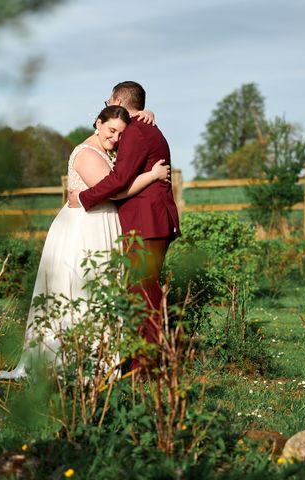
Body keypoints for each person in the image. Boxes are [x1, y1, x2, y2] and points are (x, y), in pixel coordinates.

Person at [0, 105, 170, 381]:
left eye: (119, 135)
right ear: (97, 123)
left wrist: (147, 112)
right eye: (111, 131)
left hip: (100, 225)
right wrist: (152, 176)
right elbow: (114, 191)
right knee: (80, 287)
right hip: (84, 228)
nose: (114, 139)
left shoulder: (105, 149)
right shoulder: (87, 153)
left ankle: (100, 356)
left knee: (102, 286)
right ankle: (71, 360)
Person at [68, 81, 180, 371]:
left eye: (109, 101)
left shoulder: (136, 131)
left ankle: (146, 366)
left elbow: (118, 180)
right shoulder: (142, 127)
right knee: (140, 291)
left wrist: (83, 197)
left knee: (144, 292)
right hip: (145, 222)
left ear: (117, 99)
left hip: (148, 223)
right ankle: (138, 360)